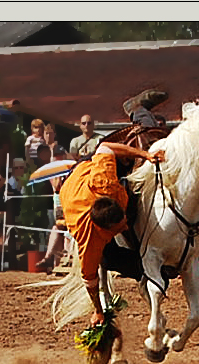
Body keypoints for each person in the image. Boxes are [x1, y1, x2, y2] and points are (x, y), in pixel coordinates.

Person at [60, 140, 165, 327]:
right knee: (109, 258)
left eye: (124, 222)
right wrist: (98, 311)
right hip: (72, 183)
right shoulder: (89, 239)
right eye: (120, 228)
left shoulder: (105, 183)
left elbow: (105, 146)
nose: (125, 228)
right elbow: (90, 281)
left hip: (88, 172)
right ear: (106, 230)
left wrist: (146, 155)